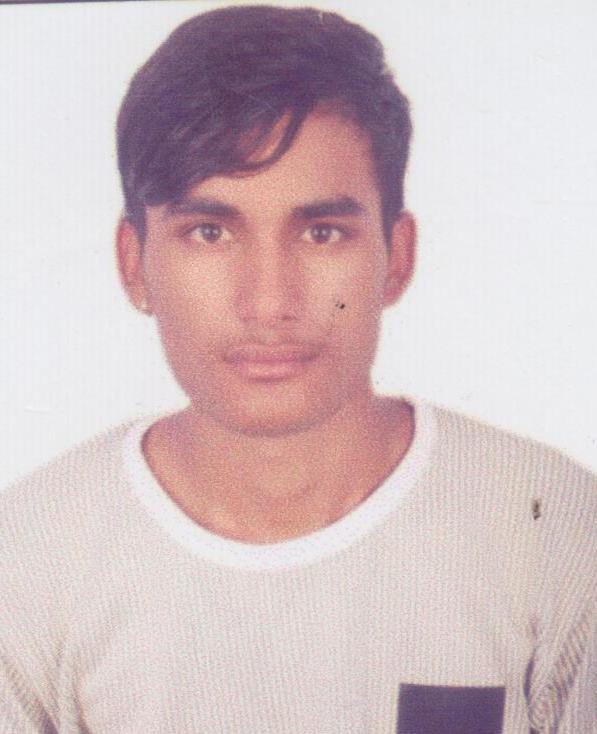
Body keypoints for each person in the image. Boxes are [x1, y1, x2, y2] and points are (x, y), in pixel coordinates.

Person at [1, 5, 595, 732]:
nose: (269, 302)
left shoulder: (553, 530)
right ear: (135, 265)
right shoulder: (28, 558)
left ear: (396, 258)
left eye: (321, 233)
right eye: (210, 232)